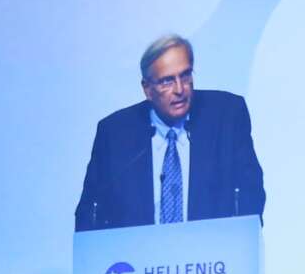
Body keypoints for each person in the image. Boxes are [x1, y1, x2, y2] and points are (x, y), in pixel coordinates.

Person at [74, 34, 266, 231]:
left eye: (185, 75)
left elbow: (251, 194)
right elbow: (89, 214)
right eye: (167, 81)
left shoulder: (226, 117)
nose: (179, 89)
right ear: (147, 89)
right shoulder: (115, 134)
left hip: (214, 248)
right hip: (139, 249)